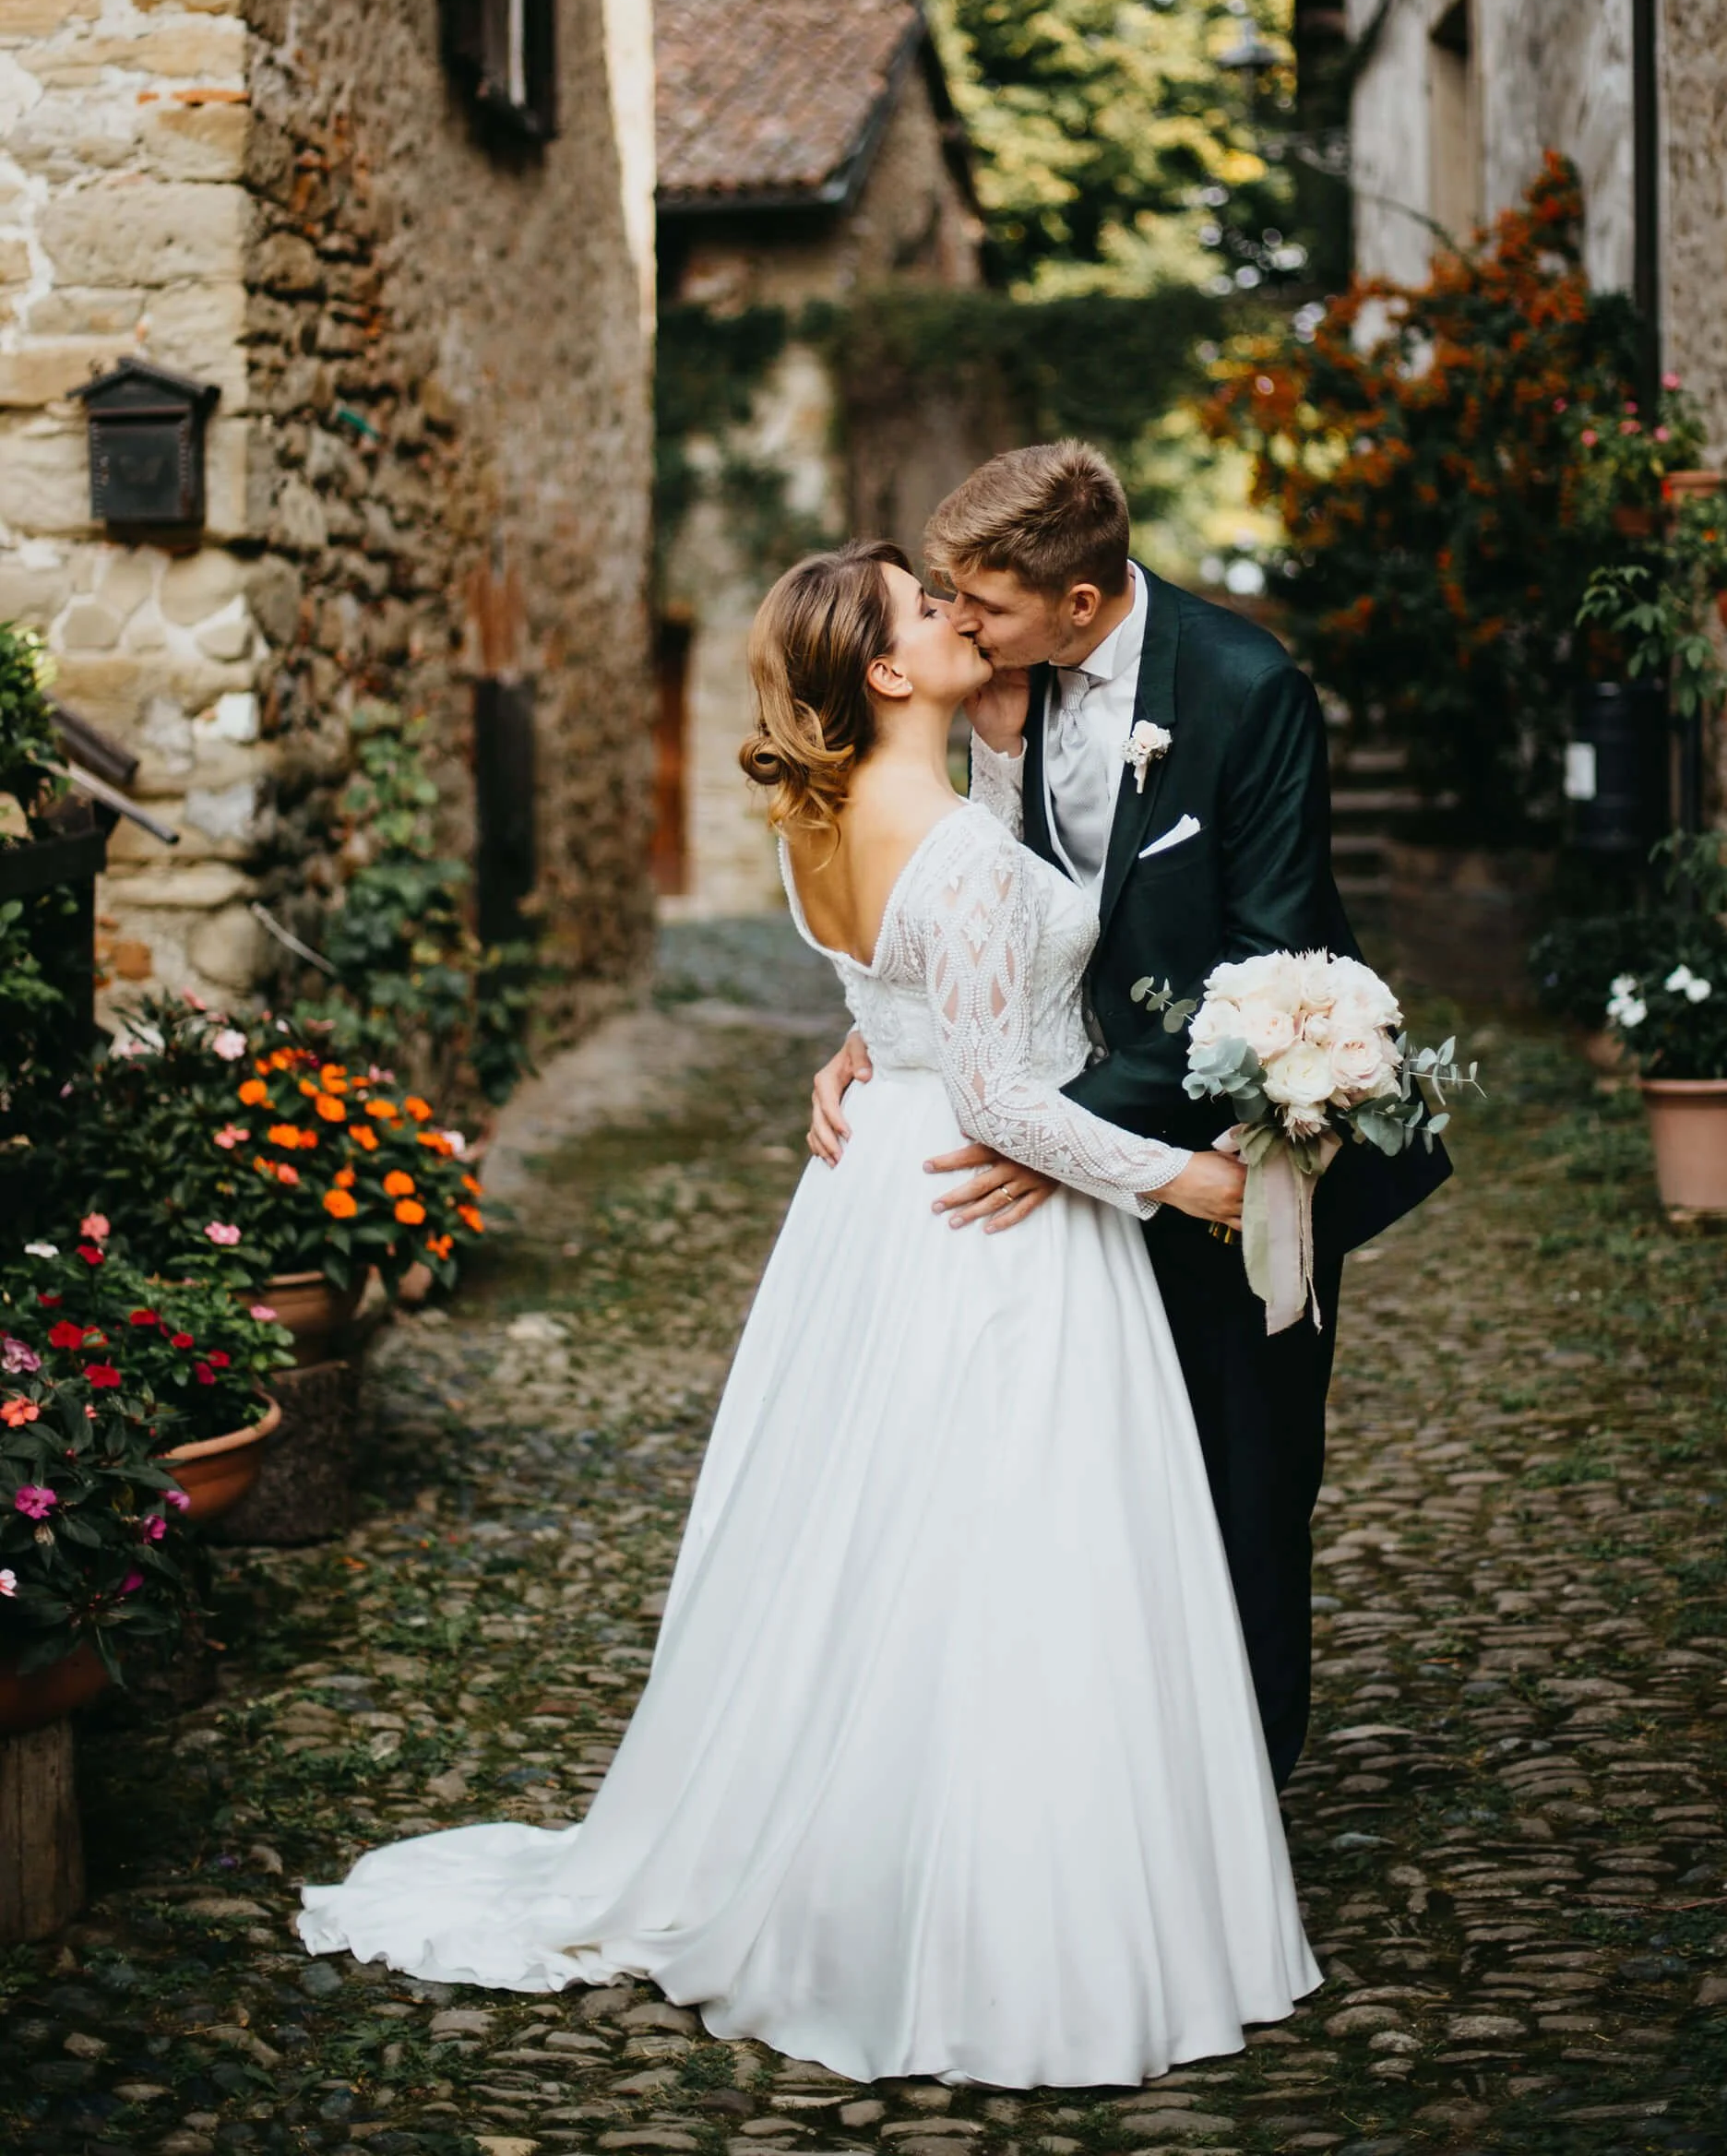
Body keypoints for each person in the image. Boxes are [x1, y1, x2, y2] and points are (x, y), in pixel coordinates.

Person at [299, 539, 1318, 2085]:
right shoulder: (965, 854)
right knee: (1004, 1541)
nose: (958, 613)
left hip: (874, 1201)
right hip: (981, 1215)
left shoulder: (825, 822)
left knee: (880, 1533)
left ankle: (883, 1842)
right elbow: (1002, 1100)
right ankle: (990, 1909)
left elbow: (890, 1011)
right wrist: (1184, 1183)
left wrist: (861, 1054)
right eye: (928, 606)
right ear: (890, 672)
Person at [809, 444, 1452, 1790]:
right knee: (1078, 1495)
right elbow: (960, 909)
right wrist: (889, 1044)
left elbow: (1265, 965)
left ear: (1083, 605)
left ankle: (1242, 1802)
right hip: (1065, 1161)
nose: (958, 624)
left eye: (980, 605)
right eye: (944, 601)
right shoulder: (987, 691)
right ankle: (1100, 1790)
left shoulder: (1246, 690)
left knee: (1250, 1482)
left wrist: (1041, 1126)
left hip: (1226, 1144)